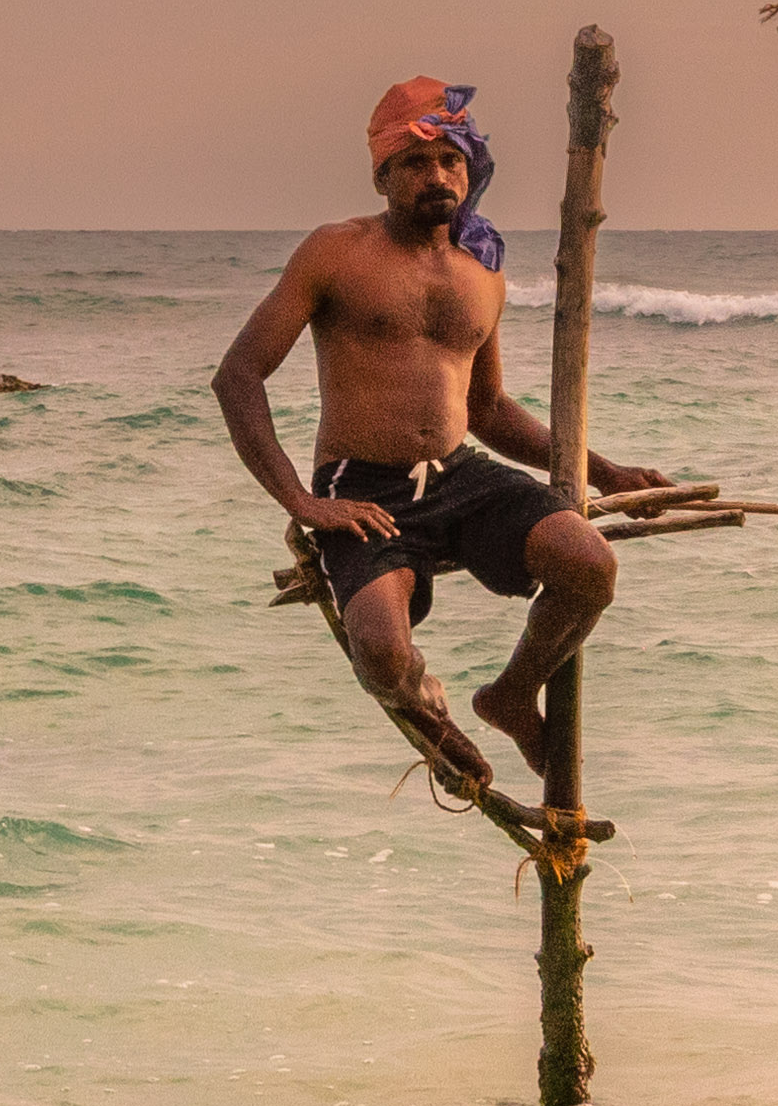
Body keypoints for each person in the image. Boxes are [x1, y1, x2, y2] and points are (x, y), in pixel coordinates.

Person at [211, 80, 675, 808]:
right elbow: (238, 375)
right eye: (418, 163)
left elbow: (486, 407)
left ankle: (512, 696)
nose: (438, 177)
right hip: (363, 486)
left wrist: (604, 471)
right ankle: (426, 703)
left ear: (471, 167)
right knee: (383, 652)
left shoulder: (481, 267)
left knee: (590, 565)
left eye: (452, 161)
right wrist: (302, 501)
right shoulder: (335, 253)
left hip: (462, 475)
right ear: (384, 174)